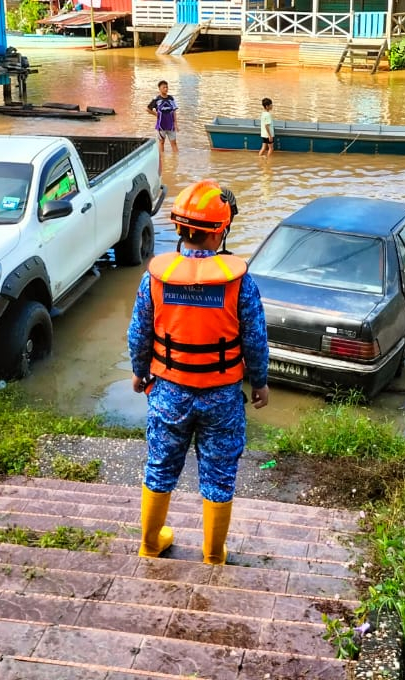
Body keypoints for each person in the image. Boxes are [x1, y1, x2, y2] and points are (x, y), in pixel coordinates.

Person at [127, 180, 270, 565]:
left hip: (169, 392)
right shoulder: (239, 283)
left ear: (178, 229)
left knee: (159, 466)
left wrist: (140, 372)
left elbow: (139, 333)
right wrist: (260, 382)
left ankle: (150, 543)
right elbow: (255, 339)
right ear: (222, 230)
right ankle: (212, 553)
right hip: (221, 396)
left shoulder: (155, 277)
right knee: (219, 473)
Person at [147, 80, 178, 158]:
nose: (166, 89)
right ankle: (162, 159)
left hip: (171, 125)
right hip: (161, 125)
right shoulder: (156, 99)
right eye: (164, 87)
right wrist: (156, 114)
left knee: (174, 143)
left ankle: (176, 160)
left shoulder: (171, 99)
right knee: (161, 143)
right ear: (159, 89)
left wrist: (176, 123)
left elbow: (174, 111)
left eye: (167, 87)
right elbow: (148, 109)